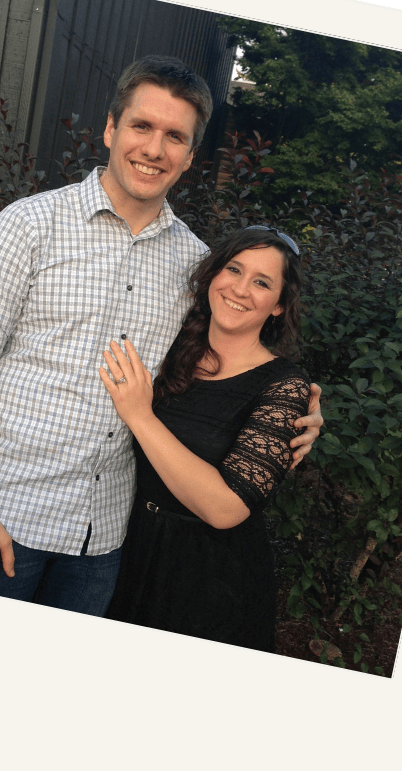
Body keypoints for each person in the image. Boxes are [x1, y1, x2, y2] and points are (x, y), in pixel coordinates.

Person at [0, 54, 324, 615]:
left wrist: (294, 411)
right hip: (6, 520)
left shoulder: (197, 266)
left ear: (190, 157)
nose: (153, 149)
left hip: (107, 539)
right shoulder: (27, 225)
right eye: (142, 126)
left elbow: (224, 365)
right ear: (111, 128)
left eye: (175, 137)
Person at [100, 227, 308, 651]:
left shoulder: (285, 386)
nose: (241, 289)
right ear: (213, 275)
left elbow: (226, 508)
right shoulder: (172, 350)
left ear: (278, 306)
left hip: (212, 575)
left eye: (262, 282)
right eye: (234, 269)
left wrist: (140, 416)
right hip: (130, 548)